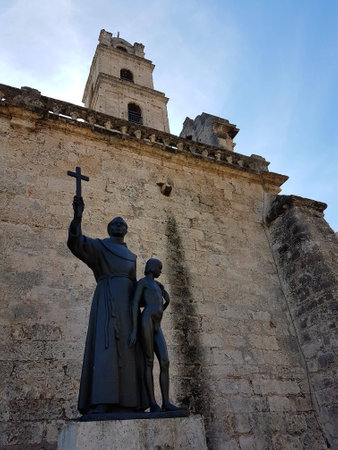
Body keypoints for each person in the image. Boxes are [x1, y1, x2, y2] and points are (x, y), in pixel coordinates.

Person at [67, 195, 148, 414]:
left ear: (126, 229)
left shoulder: (131, 256)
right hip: (107, 299)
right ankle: (101, 400)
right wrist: (78, 216)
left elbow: (135, 283)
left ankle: (132, 403)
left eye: (122, 223)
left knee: (130, 351)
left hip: (127, 306)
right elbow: (76, 243)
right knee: (106, 349)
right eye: (115, 223)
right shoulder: (100, 247)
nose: (119, 225)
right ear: (109, 228)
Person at [129, 258, 180, 412]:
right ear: (152, 268)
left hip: (157, 324)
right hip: (147, 321)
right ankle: (152, 403)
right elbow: (134, 304)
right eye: (159, 268)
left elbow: (160, 306)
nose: (161, 271)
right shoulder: (143, 283)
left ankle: (166, 402)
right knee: (149, 361)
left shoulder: (158, 286)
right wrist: (133, 329)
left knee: (165, 362)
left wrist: (167, 301)